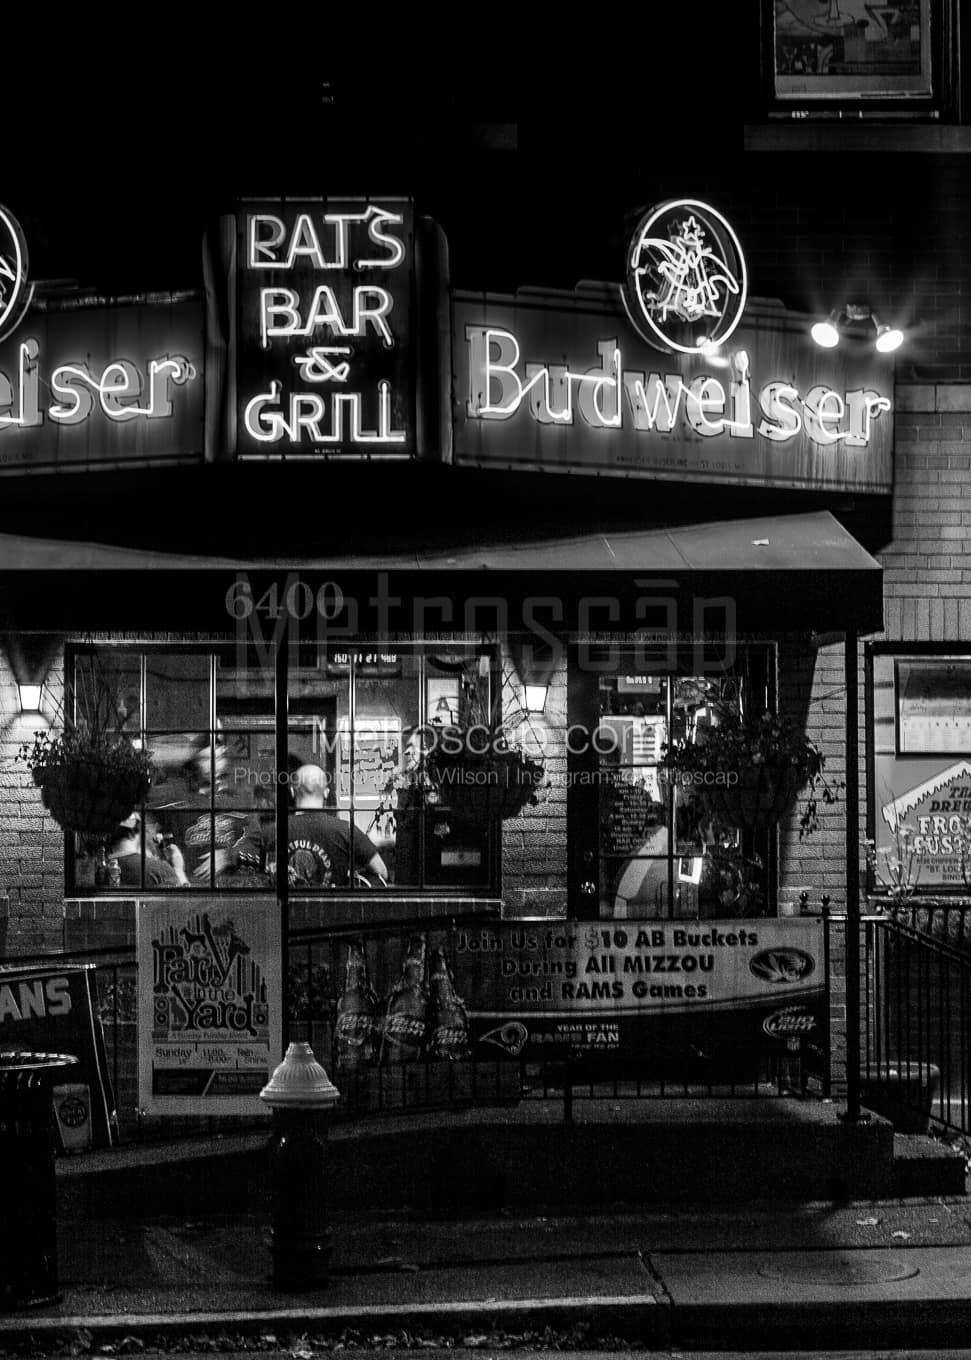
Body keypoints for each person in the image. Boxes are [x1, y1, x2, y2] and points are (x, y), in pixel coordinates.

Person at [286, 762, 388, 887]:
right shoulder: (346, 830)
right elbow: (381, 872)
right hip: (334, 900)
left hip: (286, 900)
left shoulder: (274, 830)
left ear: (292, 792)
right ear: (326, 793)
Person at [107, 812, 190, 888]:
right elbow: (183, 898)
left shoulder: (102, 868)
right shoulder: (159, 868)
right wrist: (179, 870)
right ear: (131, 833)